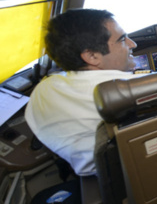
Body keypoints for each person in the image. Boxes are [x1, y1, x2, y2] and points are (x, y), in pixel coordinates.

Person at [24, 9, 138, 176]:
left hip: (98, 179)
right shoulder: (134, 89)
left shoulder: (43, 91)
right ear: (92, 56)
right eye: (122, 39)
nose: (132, 44)